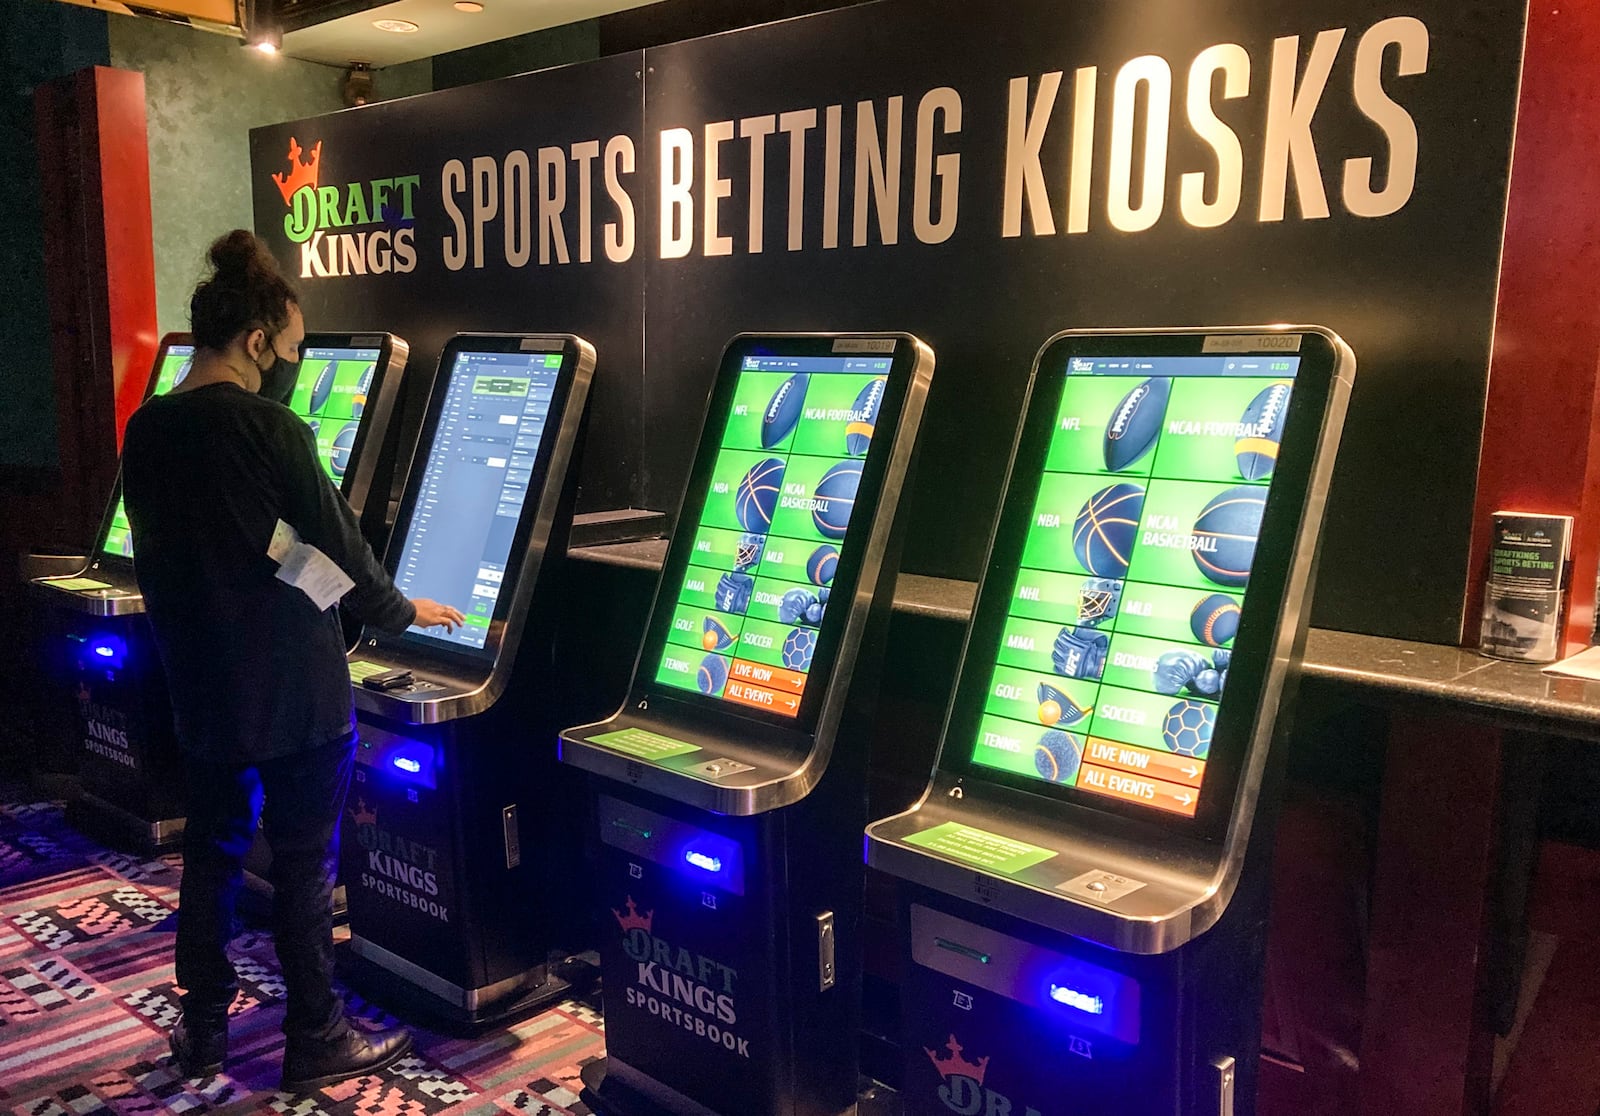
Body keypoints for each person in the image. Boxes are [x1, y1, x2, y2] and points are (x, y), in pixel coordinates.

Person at [122, 230, 464, 1092]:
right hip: (296, 695)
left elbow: (239, 544)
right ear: (258, 339)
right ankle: (317, 1035)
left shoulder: (147, 429)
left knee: (212, 853)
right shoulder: (271, 428)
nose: (293, 363)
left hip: (201, 690)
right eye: (294, 347)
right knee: (307, 864)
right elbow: (334, 546)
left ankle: (202, 1031)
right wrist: (398, 611)